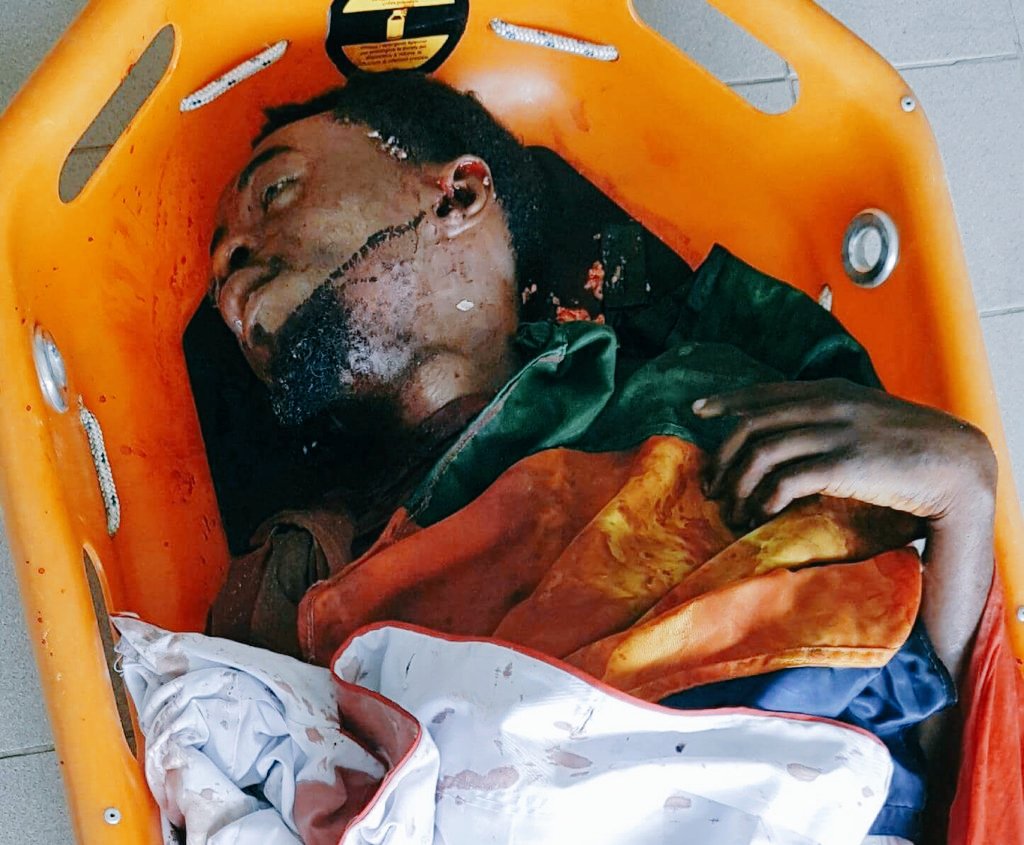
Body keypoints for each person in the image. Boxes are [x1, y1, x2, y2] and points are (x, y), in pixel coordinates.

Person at [201, 71, 1000, 841]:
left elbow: (911, 730)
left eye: (277, 191)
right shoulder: (303, 575)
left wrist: (963, 489)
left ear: (458, 194)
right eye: (221, 264)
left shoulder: (705, 399)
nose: (231, 260)